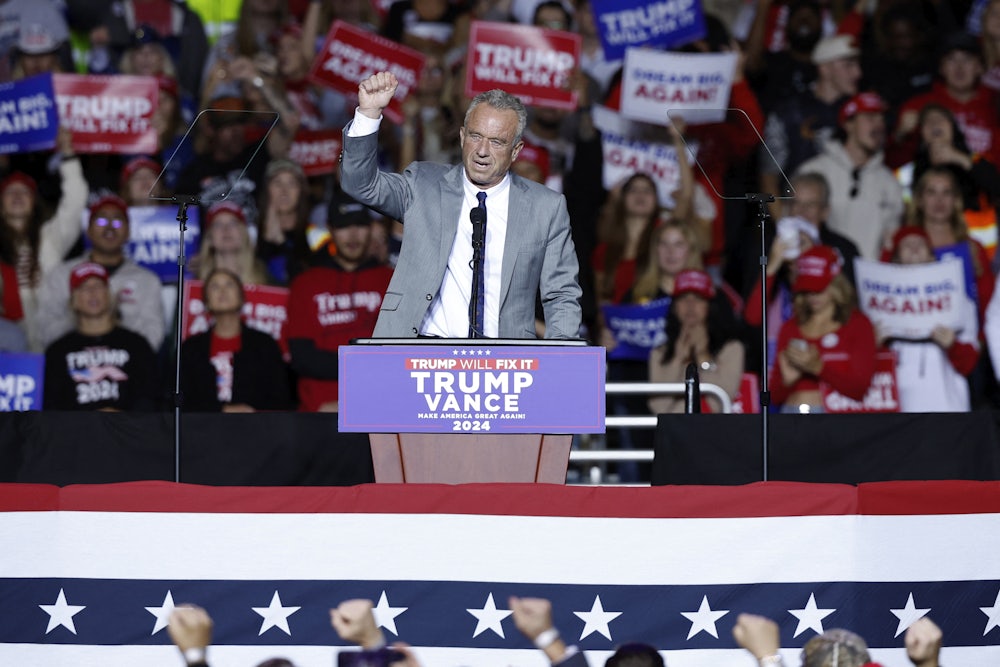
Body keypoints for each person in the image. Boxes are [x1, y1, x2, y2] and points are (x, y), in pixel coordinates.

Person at [340, 71, 582, 339]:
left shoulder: (546, 207)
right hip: (419, 351)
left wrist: (560, 358)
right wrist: (368, 114)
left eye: (497, 142)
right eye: (476, 136)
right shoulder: (423, 185)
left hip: (506, 361)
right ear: (462, 136)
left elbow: (562, 293)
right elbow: (360, 184)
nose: (482, 150)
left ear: (516, 150)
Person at [286, 195, 393, 411]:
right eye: (343, 227)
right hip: (319, 413)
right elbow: (302, 357)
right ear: (330, 230)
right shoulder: (305, 283)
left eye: (359, 226)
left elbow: (399, 355)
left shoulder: (393, 280)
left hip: (380, 410)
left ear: (372, 229)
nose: (352, 235)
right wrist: (366, 365)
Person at [33, 194, 166, 353]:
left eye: (117, 221)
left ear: (128, 232)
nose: (109, 226)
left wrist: (114, 336)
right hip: (72, 361)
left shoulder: (147, 280)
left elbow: (154, 334)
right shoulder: (62, 275)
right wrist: (84, 325)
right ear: (88, 230)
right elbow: (45, 327)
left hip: (128, 363)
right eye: (101, 220)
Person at [795, 91, 904, 260]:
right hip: (822, 278)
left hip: (869, 280)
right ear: (848, 124)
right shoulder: (814, 171)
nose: (879, 125)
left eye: (881, 119)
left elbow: (891, 244)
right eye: (870, 118)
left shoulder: (889, 182)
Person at [769, 245, 877, 413]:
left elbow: (860, 389)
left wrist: (819, 368)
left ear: (836, 284)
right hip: (792, 415)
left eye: (819, 289)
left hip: (836, 419)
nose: (812, 295)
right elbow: (774, 396)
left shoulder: (858, 324)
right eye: (806, 290)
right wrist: (787, 381)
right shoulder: (790, 327)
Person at [882, 226, 978, 413]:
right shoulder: (879, 305)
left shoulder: (959, 301)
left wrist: (953, 346)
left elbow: (970, 364)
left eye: (921, 244)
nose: (915, 248)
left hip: (948, 410)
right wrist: (875, 345)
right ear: (896, 258)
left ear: (932, 256)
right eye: (907, 245)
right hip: (897, 414)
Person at [43, 263, 158, 411]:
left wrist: (120, 421)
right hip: (76, 432)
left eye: (98, 286)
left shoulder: (136, 345)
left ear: (109, 295)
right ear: (73, 301)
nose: (93, 293)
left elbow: (149, 400)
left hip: (127, 431)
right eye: (84, 287)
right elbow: (52, 409)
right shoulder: (58, 352)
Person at [180, 268, 292, 412]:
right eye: (214, 286)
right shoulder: (191, 348)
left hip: (255, 429)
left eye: (229, 285)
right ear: (206, 301)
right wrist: (221, 410)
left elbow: (281, 399)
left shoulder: (265, 345)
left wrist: (252, 412)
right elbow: (181, 403)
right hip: (204, 430)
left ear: (241, 297)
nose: (222, 291)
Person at [648, 269, 744, 414]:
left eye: (698, 298)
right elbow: (658, 407)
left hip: (714, 431)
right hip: (673, 433)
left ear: (709, 306)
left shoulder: (732, 348)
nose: (690, 305)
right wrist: (678, 359)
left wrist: (703, 357)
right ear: (674, 307)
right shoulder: (659, 352)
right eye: (683, 298)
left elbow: (720, 403)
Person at [196, 200, 272, 286]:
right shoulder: (196, 284)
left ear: (243, 234)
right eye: (218, 224)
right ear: (209, 237)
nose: (226, 229)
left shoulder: (267, 280)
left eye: (233, 223)